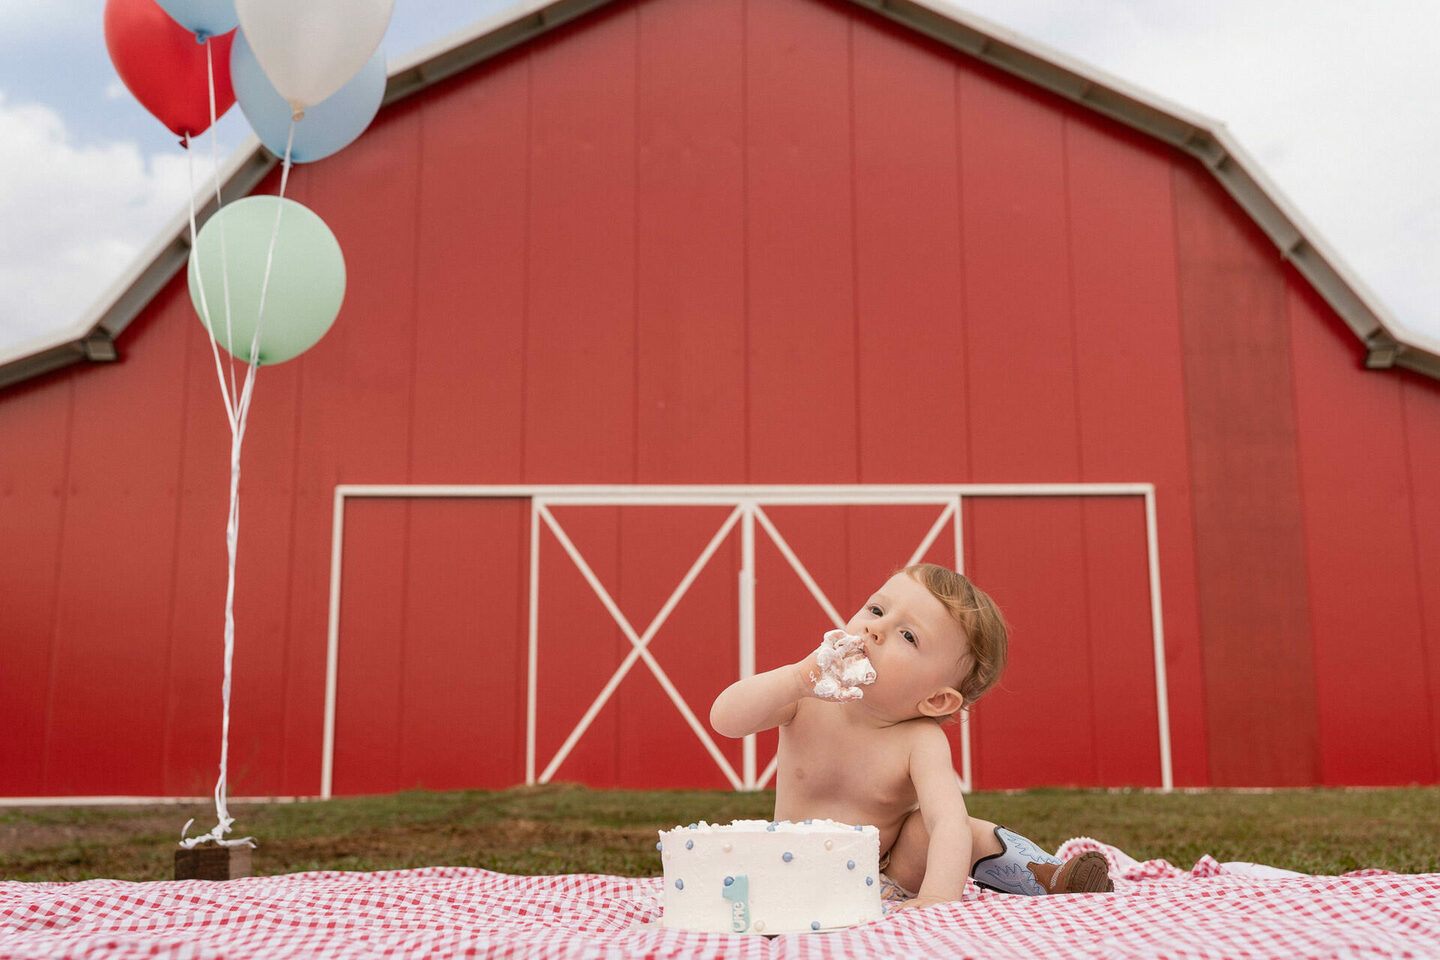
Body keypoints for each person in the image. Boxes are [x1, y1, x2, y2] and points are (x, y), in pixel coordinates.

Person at [709, 563, 1112, 910]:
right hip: (790, 868)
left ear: (935, 700)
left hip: (881, 879)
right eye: (877, 609)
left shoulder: (920, 740)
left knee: (954, 826)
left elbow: (946, 822)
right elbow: (725, 720)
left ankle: (1047, 875)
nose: (876, 628)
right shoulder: (808, 698)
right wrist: (796, 679)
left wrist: (937, 898)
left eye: (908, 636)